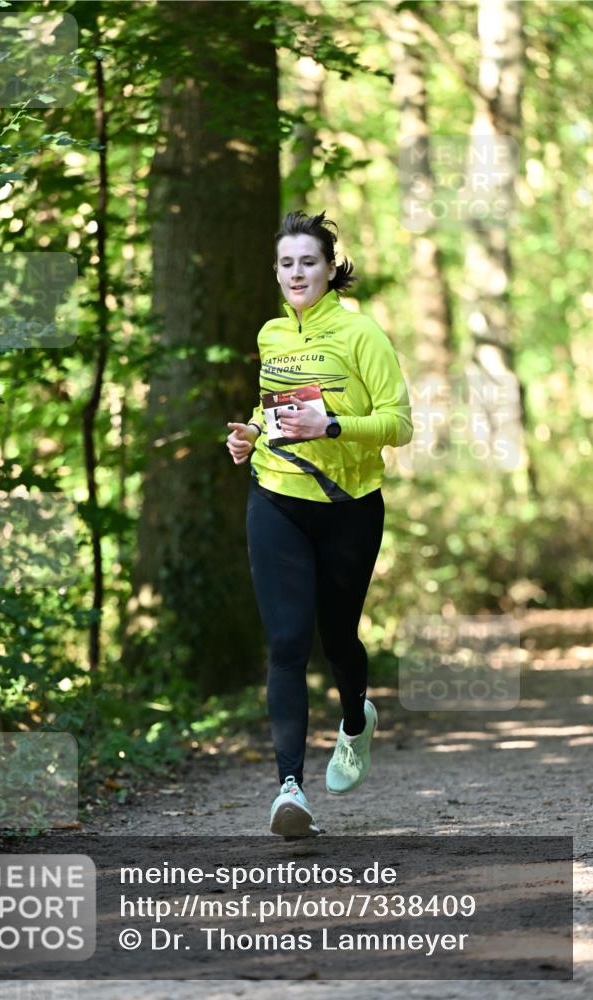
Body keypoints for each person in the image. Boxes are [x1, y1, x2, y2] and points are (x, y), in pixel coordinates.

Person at [226, 210, 413, 838]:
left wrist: (334, 427)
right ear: (276, 272)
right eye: (286, 263)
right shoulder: (271, 334)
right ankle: (289, 790)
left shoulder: (363, 335)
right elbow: (272, 405)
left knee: (338, 638)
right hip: (277, 495)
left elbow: (399, 424)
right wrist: (252, 433)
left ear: (331, 269)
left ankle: (356, 723)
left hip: (350, 505)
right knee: (285, 642)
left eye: (308, 261)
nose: (296, 272)